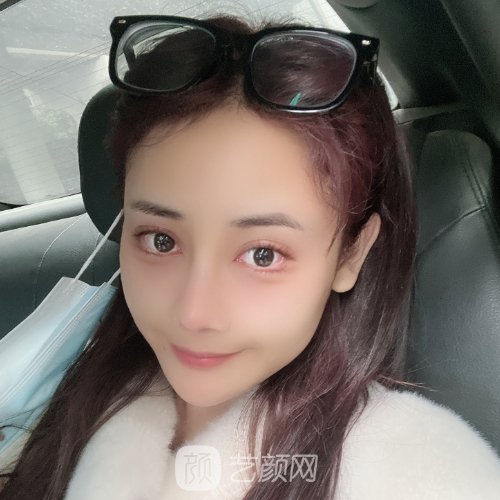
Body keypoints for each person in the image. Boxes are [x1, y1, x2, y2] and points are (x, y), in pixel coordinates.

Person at [1, 14, 500, 500]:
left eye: (263, 255)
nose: (193, 314)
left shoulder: (421, 476)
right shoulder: (58, 395)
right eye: (160, 240)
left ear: (351, 254)